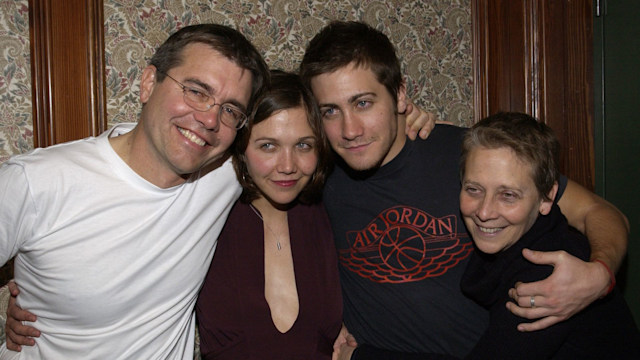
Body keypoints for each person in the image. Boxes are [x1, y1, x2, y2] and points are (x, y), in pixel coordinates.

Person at [297, 21, 630, 359]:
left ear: (399, 94)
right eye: (330, 111)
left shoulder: (469, 155)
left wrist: (600, 274)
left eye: (363, 103)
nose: (349, 130)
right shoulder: (315, 178)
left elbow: (598, 212)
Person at [0, 24, 270, 359]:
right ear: (147, 84)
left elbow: (296, 128)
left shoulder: (225, 175)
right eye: (197, 91)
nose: (210, 119)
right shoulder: (37, 181)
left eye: (230, 109)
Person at [458, 112, 640, 359]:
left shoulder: (549, 276)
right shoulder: (521, 242)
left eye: (508, 195)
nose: (484, 212)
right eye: (473, 189)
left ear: (547, 198)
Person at [194, 70, 342, 359]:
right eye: (268, 146)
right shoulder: (205, 210)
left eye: (303, 145)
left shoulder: (335, 208)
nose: (288, 166)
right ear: (241, 147)